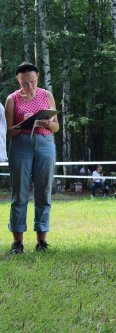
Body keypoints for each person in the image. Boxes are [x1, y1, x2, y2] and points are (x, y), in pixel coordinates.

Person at [5, 62, 59, 254]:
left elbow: (56, 127)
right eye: (25, 83)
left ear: (38, 77)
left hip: (45, 143)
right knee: (19, 193)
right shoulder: (12, 99)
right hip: (21, 145)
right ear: (18, 80)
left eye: (33, 82)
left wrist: (45, 122)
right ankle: (17, 242)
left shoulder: (46, 95)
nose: (29, 86)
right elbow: (8, 132)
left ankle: (41, 241)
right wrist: (25, 123)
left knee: (43, 192)